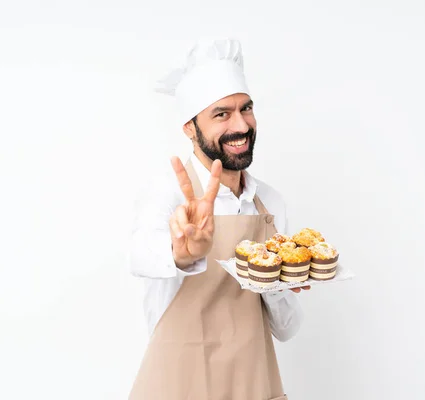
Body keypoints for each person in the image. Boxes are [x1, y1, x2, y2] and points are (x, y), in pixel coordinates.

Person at [127, 38, 307, 400]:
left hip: (254, 388)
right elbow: (139, 254)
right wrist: (183, 251)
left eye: (246, 109)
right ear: (189, 128)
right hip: (179, 388)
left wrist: (271, 279)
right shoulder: (169, 193)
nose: (240, 125)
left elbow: (287, 329)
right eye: (221, 114)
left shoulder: (269, 204)